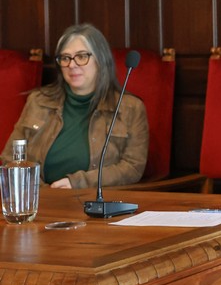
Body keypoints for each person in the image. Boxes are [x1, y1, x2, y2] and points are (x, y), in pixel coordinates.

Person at [2, 24, 149, 188]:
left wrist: (77, 183)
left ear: (101, 60)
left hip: (96, 199)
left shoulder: (129, 108)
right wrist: (42, 191)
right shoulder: (38, 101)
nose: (72, 65)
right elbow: (10, 158)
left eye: (81, 56)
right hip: (40, 198)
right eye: (65, 58)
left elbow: (132, 167)